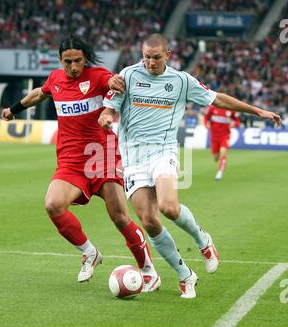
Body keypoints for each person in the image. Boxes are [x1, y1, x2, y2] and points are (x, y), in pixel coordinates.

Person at [98, 33, 281, 299]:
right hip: (133, 158)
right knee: (149, 221)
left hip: (163, 152)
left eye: (156, 57)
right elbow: (109, 108)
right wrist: (105, 117)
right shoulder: (127, 76)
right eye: (146, 57)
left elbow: (217, 99)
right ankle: (186, 276)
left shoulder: (182, 81)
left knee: (169, 207)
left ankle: (203, 241)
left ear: (168, 55)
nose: (150, 62)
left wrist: (258, 111)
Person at [1, 35, 160, 292]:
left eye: (77, 61)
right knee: (53, 205)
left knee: (119, 216)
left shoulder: (98, 76)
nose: (73, 67)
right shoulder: (55, 79)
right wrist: (13, 109)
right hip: (70, 160)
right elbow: (38, 95)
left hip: (102, 155)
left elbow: (111, 83)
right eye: (67, 62)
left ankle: (148, 270)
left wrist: (114, 83)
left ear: (85, 58)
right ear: (60, 61)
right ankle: (89, 253)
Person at [204, 105, 240, 180]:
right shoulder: (212, 108)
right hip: (214, 136)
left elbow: (237, 121)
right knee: (216, 158)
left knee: (223, 153)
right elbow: (206, 117)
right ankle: (220, 157)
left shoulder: (230, 109)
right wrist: (206, 124)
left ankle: (220, 172)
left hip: (225, 136)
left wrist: (234, 124)